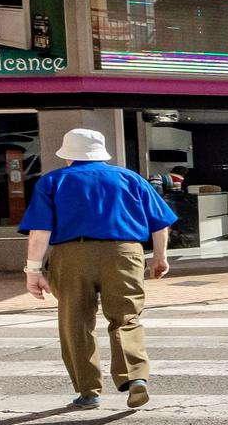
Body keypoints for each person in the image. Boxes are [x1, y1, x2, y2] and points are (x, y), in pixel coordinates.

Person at [18, 129, 180, 410]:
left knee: (76, 322)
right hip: (124, 252)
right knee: (126, 317)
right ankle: (135, 378)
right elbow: (160, 223)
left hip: (72, 255)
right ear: (102, 153)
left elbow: (40, 231)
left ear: (67, 155)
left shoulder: (53, 181)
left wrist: (33, 271)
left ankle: (88, 391)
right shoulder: (130, 178)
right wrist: (160, 257)